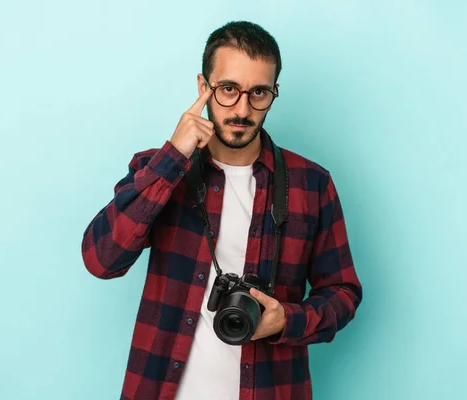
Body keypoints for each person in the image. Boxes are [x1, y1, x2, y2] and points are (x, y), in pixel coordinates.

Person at [81, 20, 362, 400]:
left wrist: (288, 321)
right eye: (228, 89)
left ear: (274, 93)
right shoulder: (158, 169)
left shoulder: (312, 184)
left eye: (259, 92)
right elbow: (101, 259)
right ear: (204, 88)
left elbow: (342, 292)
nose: (243, 109)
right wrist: (171, 158)